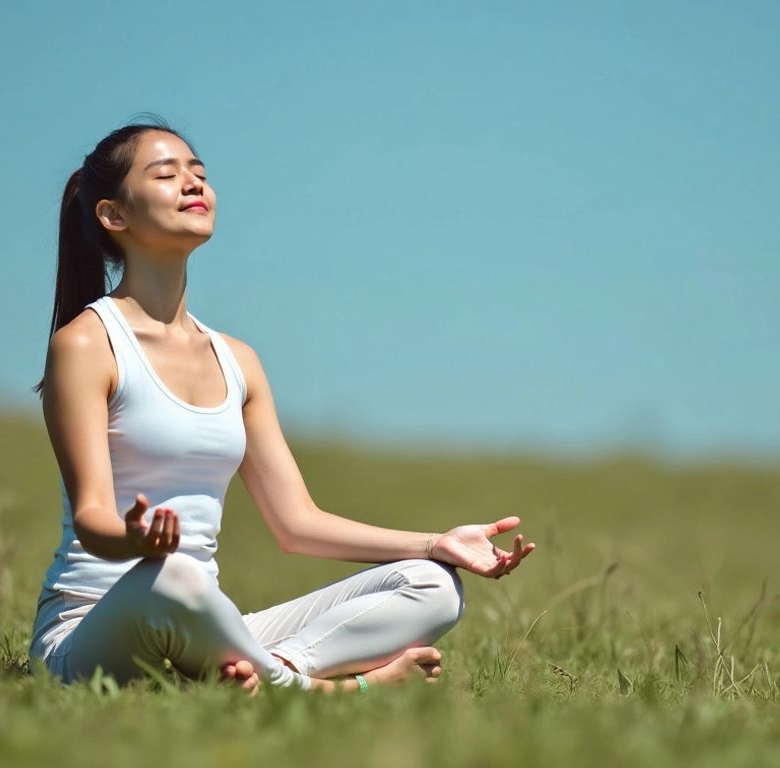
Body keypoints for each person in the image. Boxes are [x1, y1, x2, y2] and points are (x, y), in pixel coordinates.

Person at [28, 120, 536, 694]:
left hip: (206, 617)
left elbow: (297, 524)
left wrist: (434, 543)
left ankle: (256, 671)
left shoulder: (237, 360)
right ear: (113, 215)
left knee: (434, 586)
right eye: (166, 175)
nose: (194, 185)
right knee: (174, 578)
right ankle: (330, 691)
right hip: (92, 630)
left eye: (199, 174)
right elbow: (94, 517)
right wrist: (136, 543)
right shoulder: (85, 344)